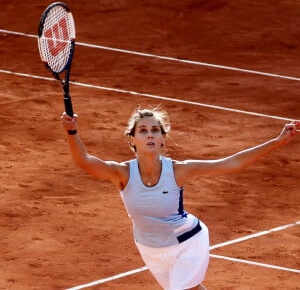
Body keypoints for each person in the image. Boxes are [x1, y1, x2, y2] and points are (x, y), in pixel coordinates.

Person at [61, 107, 299, 290]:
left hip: (187, 242)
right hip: (149, 248)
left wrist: (276, 141)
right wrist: (72, 132)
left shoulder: (177, 170)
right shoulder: (121, 173)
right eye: (142, 130)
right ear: (131, 140)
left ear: (163, 138)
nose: (150, 135)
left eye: (155, 130)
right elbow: (85, 162)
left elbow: (230, 163)